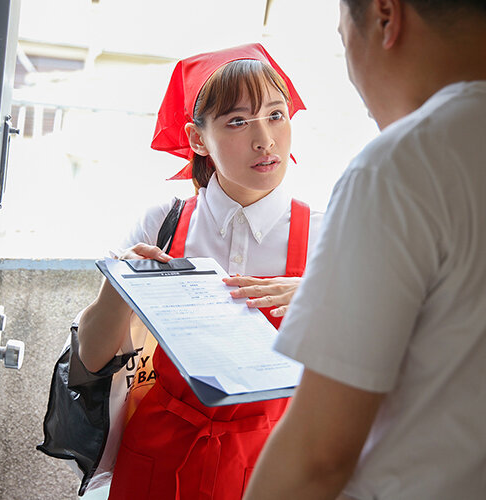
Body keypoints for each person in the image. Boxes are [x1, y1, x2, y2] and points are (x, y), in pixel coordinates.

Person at [245, 1, 486, 500]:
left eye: (345, 39)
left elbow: (318, 455)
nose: (355, 81)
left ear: (386, 17)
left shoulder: (400, 165)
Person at [75, 43, 323, 500]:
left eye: (276, 115)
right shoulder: (162, 223)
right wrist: (122, 284)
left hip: (275, 463)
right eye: (238, 121)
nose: (265, 140)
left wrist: (322, 299)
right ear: (196, 138)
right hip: (159, 455)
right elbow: (91, 358)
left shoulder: (327, 236)